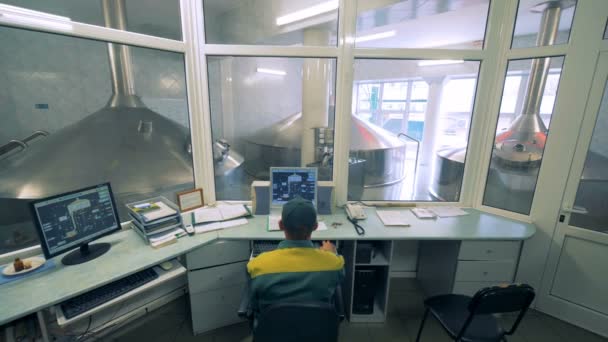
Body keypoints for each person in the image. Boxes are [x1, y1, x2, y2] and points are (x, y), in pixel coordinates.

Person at [246, 197, 344, 314]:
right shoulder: (334, 264)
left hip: (273, 329)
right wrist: (330, 254)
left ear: (281, 225)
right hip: (317, 328)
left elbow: (253, 303)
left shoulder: (258, 266)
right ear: (315, 226)